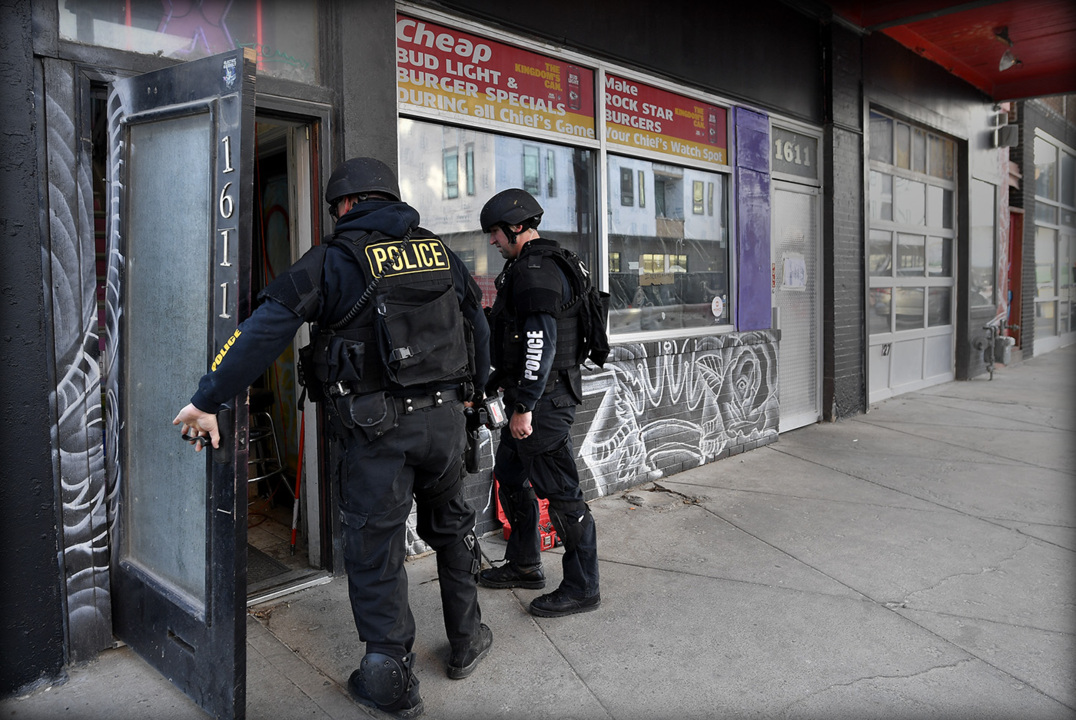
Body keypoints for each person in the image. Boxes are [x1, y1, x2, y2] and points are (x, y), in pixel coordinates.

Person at [173, 157, 492, 719]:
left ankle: (391, 682)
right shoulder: (440, 252)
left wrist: (207, 397)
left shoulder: (333, 260)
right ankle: (467, 639)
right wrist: (477, 392)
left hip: (378, 434)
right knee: (453, 530)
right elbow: (479, 325)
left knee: (375, 551)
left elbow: (263, 330)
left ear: (345, 205)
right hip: (447, 424)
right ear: (390, 199)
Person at [477, 188, 601, 617]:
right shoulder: (540, 263)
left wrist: (525, 407)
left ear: (514, 228)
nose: (492, 242)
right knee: (510, 474)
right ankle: (526, 563)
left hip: (543, 403)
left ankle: (583, 587)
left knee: (562, 494)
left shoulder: (534, 271)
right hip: (531, 396)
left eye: (494, 233)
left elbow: (539, 343)